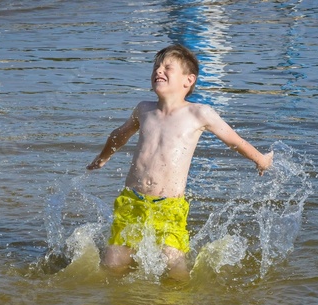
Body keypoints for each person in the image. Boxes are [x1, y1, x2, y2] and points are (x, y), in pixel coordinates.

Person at [86, 44, 273, 280]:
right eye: (156, 66)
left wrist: (261, 160)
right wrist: (103, 158)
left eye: (167, 67)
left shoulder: (199, 113)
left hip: (169, 206)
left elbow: (235, 141)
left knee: (174, 270)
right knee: (113, 265)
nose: (158, 71)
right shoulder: (144, 110)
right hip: (131, 201)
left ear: (188, 80)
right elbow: (119, 134)